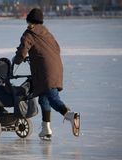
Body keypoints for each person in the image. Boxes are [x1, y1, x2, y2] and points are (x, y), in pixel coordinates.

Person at [12, 8, 80, 140]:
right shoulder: (47, 33)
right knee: (43, 98)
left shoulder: (29, 34)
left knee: (52, 97)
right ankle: (46, 129)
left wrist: (16, 60)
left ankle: (70, 115)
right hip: (56, 67)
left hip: (45, 71)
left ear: (29, 21)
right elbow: (57, 48)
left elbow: (21, 53)